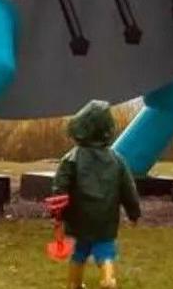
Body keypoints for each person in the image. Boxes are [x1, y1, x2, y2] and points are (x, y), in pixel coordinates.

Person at [53, 101, 142, 289]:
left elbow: (60, 187)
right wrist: (133, 213)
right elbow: (128, 189)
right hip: (106, 218)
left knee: (80, 252)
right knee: (105, 251)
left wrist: (58, 214)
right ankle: (108, 279)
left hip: (79, 217)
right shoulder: (117, 160)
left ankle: (74, 283)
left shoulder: (72, 158)